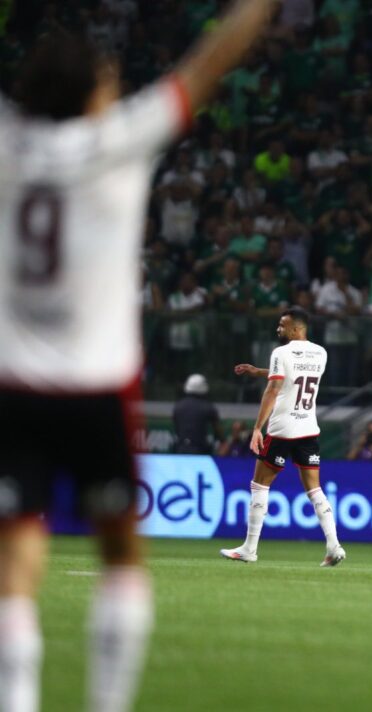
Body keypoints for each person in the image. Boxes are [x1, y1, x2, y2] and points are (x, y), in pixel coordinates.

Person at [0, 3, 279, 711]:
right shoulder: (119, 140)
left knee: (14, 560)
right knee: (122, 558)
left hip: (16, 387)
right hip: (96, 387)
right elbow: (209, 61)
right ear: (94, 94)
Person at [220, 308, 345, 567]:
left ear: (297, 329)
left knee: (259, 485)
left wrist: (257, 428)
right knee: (315, 489)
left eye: (282, 325)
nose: (278, 329)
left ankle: (249, 549)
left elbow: (275, 388)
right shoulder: (321, 353)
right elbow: (295, 376)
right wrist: (257, 371)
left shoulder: (281, 353)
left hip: (281, 429)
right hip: (308, 428)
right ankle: (334, 546)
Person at [172, 373, 222, 454]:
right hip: (200, 451)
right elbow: (218, 432)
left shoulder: (178, 406)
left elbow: (177, 429)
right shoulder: (208, 407)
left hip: (180, 450)